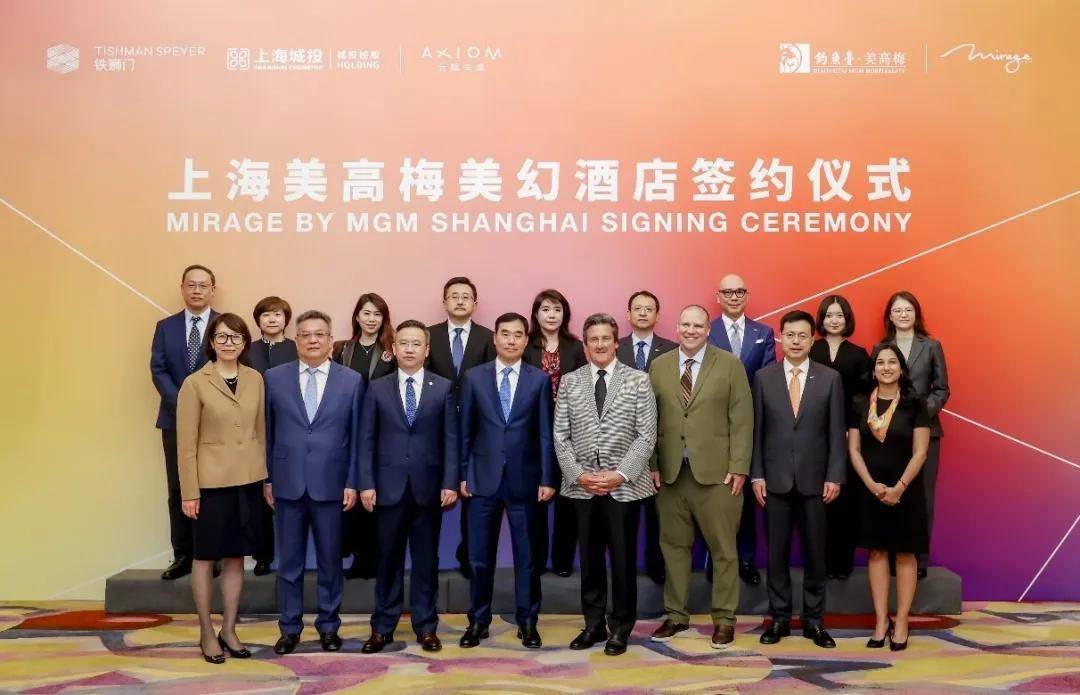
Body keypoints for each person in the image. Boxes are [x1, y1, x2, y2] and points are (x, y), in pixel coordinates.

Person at [650, 305, 753, 650]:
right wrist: (653, 464)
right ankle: (675, 615)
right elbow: (650, 420)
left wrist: (739, 466)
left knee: (724, 550)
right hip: (671, 475)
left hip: (718, 475)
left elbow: (742, 419)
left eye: (698, 325)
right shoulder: (659, 366)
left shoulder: (729, 364)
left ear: (708, 330)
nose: (691, 330)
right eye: (685, 324)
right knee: (673, 548)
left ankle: (724, 619)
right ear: (677, 328)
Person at [554, 314, 657, 656]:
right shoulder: (570, 382)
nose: (599, 344)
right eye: (593, 339)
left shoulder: (638, 380)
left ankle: (621, 628)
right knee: (590, 560)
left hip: (624, 487)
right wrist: (578, 475)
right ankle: (594, 625)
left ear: (616, 342)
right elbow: (560, 435)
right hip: (582, 487)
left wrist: (620, 474)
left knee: (623, 561)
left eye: (605, 338)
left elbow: (646, 436)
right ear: (585, 345)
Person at [264, 310, 365, 655]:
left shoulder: (351, 381)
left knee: (330, 563)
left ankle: (329, 626)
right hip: (287, 483)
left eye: (319, 334)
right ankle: (289, 628)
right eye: (305, 334)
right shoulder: (273, 378)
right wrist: (268, 479)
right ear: (296, 341)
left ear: (330, 340)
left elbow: (358, 437)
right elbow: (266, 432)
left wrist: (352, 481)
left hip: (332, 484)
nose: (312, 340)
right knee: (289, 564)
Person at [358, 321, 459, 654]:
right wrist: (366, 483)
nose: (410, 349)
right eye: (404, 343)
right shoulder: (376, 388)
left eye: (417, 344)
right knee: (387, 561)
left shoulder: (442, 388)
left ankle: (426, 627)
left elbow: (450, 439)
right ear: (394, 349)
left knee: (425, 562)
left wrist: (449, 481)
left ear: (426, 350)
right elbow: (366, 439)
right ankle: (382, 628)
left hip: (428, 489)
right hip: (387, 490)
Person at [458, 313, 556, 649]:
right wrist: (462, 474)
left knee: (527, 558)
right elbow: (465, 432)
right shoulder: (473, 378)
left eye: (518, 335)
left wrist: (547, 477)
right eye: (505, 334)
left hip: (524, 481)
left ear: (526, 341)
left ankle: (527, 622)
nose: (511, 340)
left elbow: (545, 435)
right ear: (495, 338)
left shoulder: (538, 380)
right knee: (478, 557)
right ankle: (478, 621)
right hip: (481, 480)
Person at [750, 310, 846, 649]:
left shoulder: (830, 378)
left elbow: (836, 431)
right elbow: (756, 432)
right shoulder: (763, 378)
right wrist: (756, 474)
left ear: (811, 339)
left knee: (815, 554)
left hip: (816, 482)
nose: (795, 341)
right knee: (776, 554)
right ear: (781, 337)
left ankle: (814, 621)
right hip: (774, 481)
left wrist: (835, 475)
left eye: (802, 335)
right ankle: (779, 619)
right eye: (789, 335)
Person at [177, 313, 267, 663]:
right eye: (222, 337)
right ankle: (205, 632)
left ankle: (229, 629)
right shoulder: (194, 383)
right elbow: (186, 445)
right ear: (211, 343)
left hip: (248, 481)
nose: (229, 343)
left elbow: (260, 432)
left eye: (236, 337)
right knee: (204, 559)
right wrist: (189, 491)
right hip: (210, 485)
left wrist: (265, 478)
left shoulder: (255, 379)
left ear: (245, 342)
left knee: (235, 557)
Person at [848, 343, 931, 651]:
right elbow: (854, 450)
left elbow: (921, 452)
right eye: (880, 362)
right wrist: (872, 485)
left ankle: (903, 620)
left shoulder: (915, 404)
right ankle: (881, 621)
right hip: (870, 489)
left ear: (901, 368)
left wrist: (899, 487)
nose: (886, 367)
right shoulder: (860, 403)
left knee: (905, 554)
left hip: (906, 491)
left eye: (892, 362)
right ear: (873, 369)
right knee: (877, 553)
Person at [426, 277, 498, 579]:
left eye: (465, 296)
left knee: (473, 493)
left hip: (477, 428)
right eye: (453, 296)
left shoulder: (488, 337)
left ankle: (469, 556)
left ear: (474, 303)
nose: (459, 301)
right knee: (431, 491)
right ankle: (427, 559)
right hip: (434, 428)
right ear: (444, 302)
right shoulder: (428, 335)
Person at [150, 264, 219, 580]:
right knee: (179, 487)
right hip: (174, 419)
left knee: (213, 487)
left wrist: (207, 406)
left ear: (212, 290)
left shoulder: (224, 325)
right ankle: (182, 556)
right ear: (182, 288)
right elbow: (158, 369)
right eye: (191, 284)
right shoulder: (165, 327)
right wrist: (184, 405)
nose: (197, 290)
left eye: (203, 285)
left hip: (215, 419)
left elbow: (230, 368)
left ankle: (211, 554)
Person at [708, 273, 775, 586]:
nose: (733, 297)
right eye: (727, 292)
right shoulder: (707, 330)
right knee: (713, 497)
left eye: (739, 292)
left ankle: (746, 560)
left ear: (747, 296)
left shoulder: (764, 332)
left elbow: (767, 378)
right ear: (718, 297)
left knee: (745, 496)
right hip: (713, 427)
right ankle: (716, 560)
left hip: (751, 425)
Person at [883, 291, 949, 578]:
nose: (903, 314)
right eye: (897, 310)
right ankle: (891, 556)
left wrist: (919, 416)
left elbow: (942, 389)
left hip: (927, 432)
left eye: (908, 310)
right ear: (890, 315)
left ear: (916, 314)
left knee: (923, 497)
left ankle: (919, 559)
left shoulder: (932, 346)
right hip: (889, 433)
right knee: (891, 492)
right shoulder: (881, 347)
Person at [523, 289, 587, 577]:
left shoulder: (575, 347)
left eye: (557, 309)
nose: (551, 315)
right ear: (536, 314)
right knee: (535, 498)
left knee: (567, 498)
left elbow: (583, 387)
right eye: (546, 309)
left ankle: (562, 560)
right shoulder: (526, 346)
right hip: (532, 431)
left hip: (568, 432)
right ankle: (536, 560)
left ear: (565, 314)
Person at [333, 293, 396, 580]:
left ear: (384, 319)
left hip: (381, 432)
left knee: (373, 497)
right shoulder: (341, 349)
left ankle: (373, 559)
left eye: (377, 314)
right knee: (350, 498)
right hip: (346, 430)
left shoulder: (391, 351)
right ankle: (356, 556)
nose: (371, 319)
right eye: (366, 313)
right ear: (357, 316)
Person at [616, 290, 677, 585]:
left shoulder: (673, 350)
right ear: (628, 314)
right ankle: (624, 569)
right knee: (623, 515)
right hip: (621, 442)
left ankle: (657, 565)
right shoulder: (615, 348)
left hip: (661, 441)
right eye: (637, 308)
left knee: (658, 512)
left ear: (657, 315)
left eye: (649, 309)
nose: (642, 313)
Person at [809, 295, 870, 580]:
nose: (834, 320)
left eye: (839, 315)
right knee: (816, 500)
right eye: (829, 315)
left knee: (844, 501)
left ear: (847, 320)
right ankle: (818, 563)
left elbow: (864, 396)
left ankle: (842, 564)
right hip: (812, 435)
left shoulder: (859, 354)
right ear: (821, 319)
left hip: (848, 435)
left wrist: (850, 427)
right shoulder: (810, 349)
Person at [246, 296, 298, 576]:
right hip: (253, 426)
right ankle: (262, 554)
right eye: (266, 315)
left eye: (277, 314)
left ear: (286, 319)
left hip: (289, 425)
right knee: (259, 492)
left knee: (288, 489)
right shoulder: (248, 350)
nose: (272, 319)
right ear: (258, 320)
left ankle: (292, 554)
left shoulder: (296, 348)